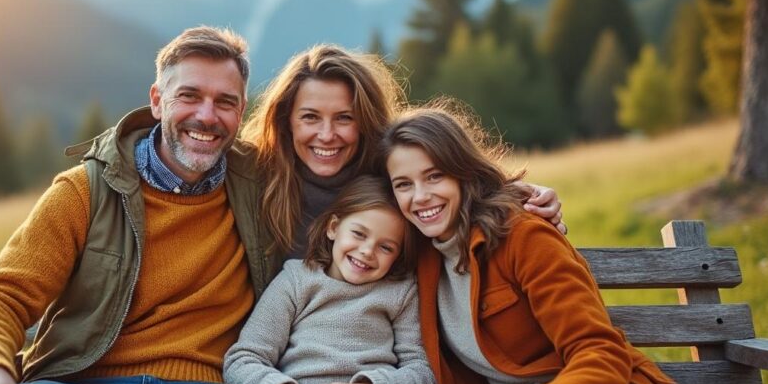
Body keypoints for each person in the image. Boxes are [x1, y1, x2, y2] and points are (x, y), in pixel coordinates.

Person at [0, 26, 276, 384]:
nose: (207, 115)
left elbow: (343, 163)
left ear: (241, 112)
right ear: (158, 100)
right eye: (190, 96)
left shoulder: (262, 189)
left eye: (225, 101)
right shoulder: (83, 191)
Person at [379, 104, 720, 384]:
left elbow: (600, 350)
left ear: (462, 173)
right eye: (403, 184)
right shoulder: (421, 258)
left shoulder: (523, 237)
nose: (421, 197)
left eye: (434, 176)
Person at [241, 45, 566, 261]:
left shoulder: (392, 177)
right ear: (287, 121)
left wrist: (523, 199)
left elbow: (461, 184)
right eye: (310, 117)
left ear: (365, 121)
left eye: (344, 117)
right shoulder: (256, 178)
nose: (327, 136)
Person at [224, 175, 437, 384]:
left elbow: (424, 377)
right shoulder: (296, 280)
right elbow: (243, 359)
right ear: (334, 227)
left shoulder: (400, 292)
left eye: (386, 247)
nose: (367, 252)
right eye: (359, 234)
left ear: (398, 255)